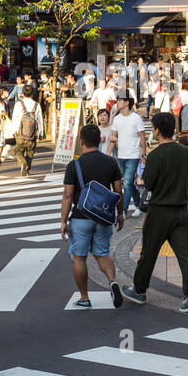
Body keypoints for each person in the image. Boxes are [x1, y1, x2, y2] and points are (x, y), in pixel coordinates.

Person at [125, 112, 188, 313]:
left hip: (159, 211)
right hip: (181, 210)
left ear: (156, 131)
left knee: (149, 252)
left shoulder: (156, 155)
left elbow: (148, 183)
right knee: (185, 254)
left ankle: (139, 290)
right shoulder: (184, 152)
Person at [60, 124, 125, 308]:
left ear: (82, 142)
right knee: (102, 254)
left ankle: (84, 297)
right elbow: (119, 191)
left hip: (81, 216)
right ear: (99, 141)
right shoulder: (111, 162)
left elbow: (68, 195)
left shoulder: (75, 165)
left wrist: (63, 221)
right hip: (103, 216)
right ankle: (112, 281)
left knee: (79, 257)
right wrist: (120, 214)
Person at [109, 94, 148, 218]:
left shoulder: (136, 118)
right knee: (129, 183)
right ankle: (138, 205)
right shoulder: (117, 119)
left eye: (119, 101)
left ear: (127, 103)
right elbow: (114, 137)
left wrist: (144, 154)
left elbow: (142, 136)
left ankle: (123, 211)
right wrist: (108, 153)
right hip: (121, 155)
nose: (117, 103)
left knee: (126, 183)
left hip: (133, 155)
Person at [11, 86, 42, 177]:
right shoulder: (37, 105)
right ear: (32, 93)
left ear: (23, 94)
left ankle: (23, 163)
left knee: (19, 151)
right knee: (30, 152)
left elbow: (15, 118)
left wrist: (14, 130)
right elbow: (39, 120)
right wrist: (40, 132)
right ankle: (27, 170)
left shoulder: (18, 104)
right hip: (32, 133)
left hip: (20, 132)